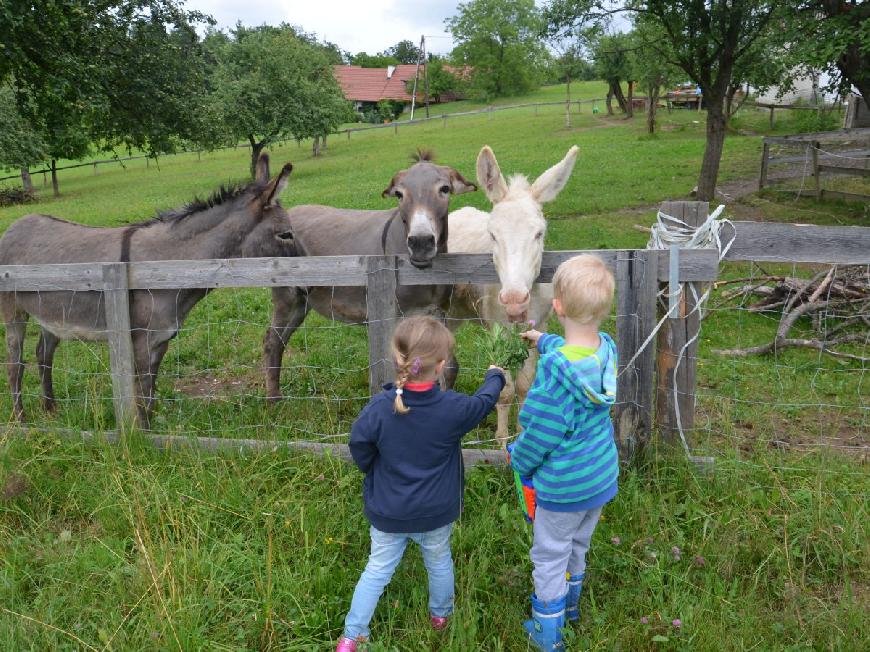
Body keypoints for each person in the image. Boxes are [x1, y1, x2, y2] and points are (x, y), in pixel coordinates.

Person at [336, 315, 506, 651]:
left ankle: (351, 637)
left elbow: (359, 445)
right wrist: (495, 377)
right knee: (439, 559)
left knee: (377, 569)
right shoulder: (453, 409)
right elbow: (483, 403)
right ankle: (440, 616)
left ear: (397, 358)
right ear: (442, 365)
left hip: (388, 509)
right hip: (435, 512)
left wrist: (373, 469)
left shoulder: (379, 408)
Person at [508, 254, 619, 651]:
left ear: (556, 306)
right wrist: (544, 340)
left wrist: (517, 457)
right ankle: (571, 609)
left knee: (550, 555)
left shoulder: (554, 376)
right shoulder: (605, 351)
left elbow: (541, 434)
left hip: (564, 487)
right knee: (578, 546)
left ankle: (547, 633)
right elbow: (575, 346)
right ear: (604, 310)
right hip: (599, 479)